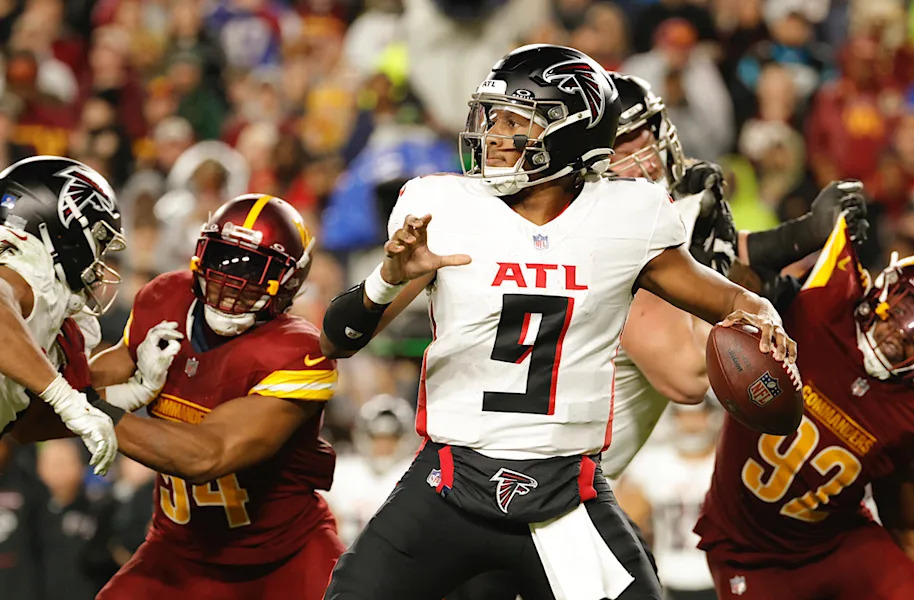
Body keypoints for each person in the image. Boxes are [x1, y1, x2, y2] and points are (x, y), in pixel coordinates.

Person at [320, 44, 795, 600]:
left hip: (566, 496)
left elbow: (732, 303)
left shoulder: (626, 216)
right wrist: (386, 279)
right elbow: (338, 338)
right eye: (492, 117)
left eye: (515, 121)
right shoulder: (443, 207)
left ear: (569, 135)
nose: (493, 134)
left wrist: (764, 320)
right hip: (448, 483)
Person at [603, 73, 868, 480]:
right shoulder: (611, 244)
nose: (647, 157)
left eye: (647, 134)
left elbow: (712, 260)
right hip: (538, 480)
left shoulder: (632, 220)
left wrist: (802, 235)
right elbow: (688, 379)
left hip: (558, 475)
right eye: (624, 145)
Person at [89, 194, 344, 599]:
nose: (231, 282)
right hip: (178, 551)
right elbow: (85, 383)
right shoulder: (165, 299)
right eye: (224, 260)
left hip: (283, 557)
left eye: (254, 270)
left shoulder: (297, 350)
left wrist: (90, 410)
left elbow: (206, 456)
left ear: (290, 281)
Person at [695, 214, 914, 599]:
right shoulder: (821, 302)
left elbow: (910, 518)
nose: (900, 335)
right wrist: (799, 232)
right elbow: (735, 280)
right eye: (902, 311)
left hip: (839, 544)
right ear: (882, 290)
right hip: (748, 552)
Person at [0, 155, 123, 475]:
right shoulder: (23, 267)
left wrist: (133, 390)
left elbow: (23, 428)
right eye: (98, 240)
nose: (99, 260)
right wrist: (64, 397)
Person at [616, 400, 723, 600]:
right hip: (670, 579)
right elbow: (623, 528)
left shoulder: (727, 465)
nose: (691, 425)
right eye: (683, 416)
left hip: (720, 579)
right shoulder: (652, 464)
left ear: (713, 416)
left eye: (698, 416)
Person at [323, 394, 418, 546]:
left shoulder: (414, 472)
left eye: (391, 438)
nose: (384, 446)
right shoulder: (345, 471)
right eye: (378, 438)